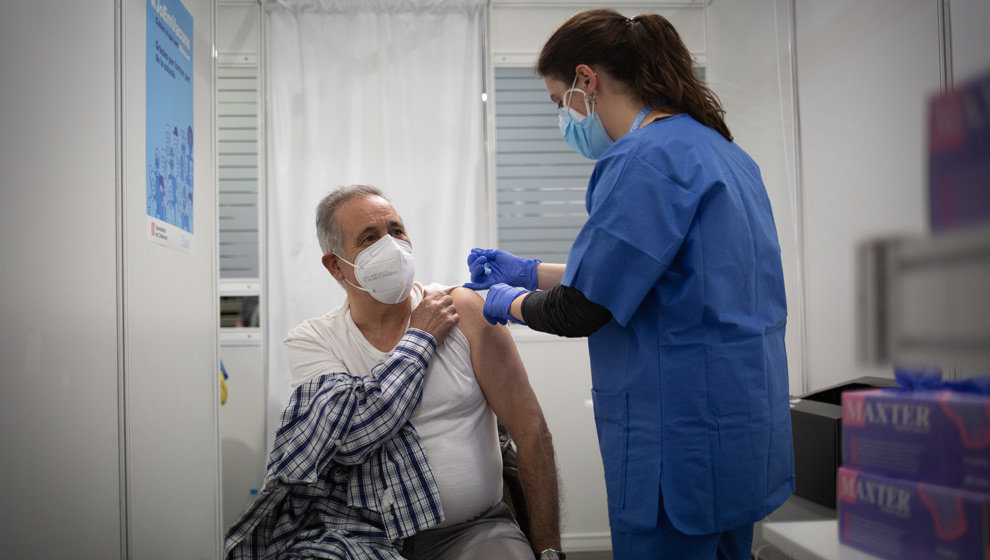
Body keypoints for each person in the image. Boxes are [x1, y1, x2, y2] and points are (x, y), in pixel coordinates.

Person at [463, 9, 794, 560]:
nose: (563, 118)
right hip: (739, 430)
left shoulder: (642, 158)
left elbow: (580, 309)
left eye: (557, 101)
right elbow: (654, 275)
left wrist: (505, 302)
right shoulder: (724, 154)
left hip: (678, 439)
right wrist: (527, 270)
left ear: (586, 80)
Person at [226, 185, 564, 560]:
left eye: (396, 231)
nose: (391, 246)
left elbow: (532, 431)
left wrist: (549, 551)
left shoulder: (462, 311)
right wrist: (419, 337)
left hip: (473, 531)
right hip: (357, 535)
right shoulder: (314, 341)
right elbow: (351, 433)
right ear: (335, 265)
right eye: (369, 239)